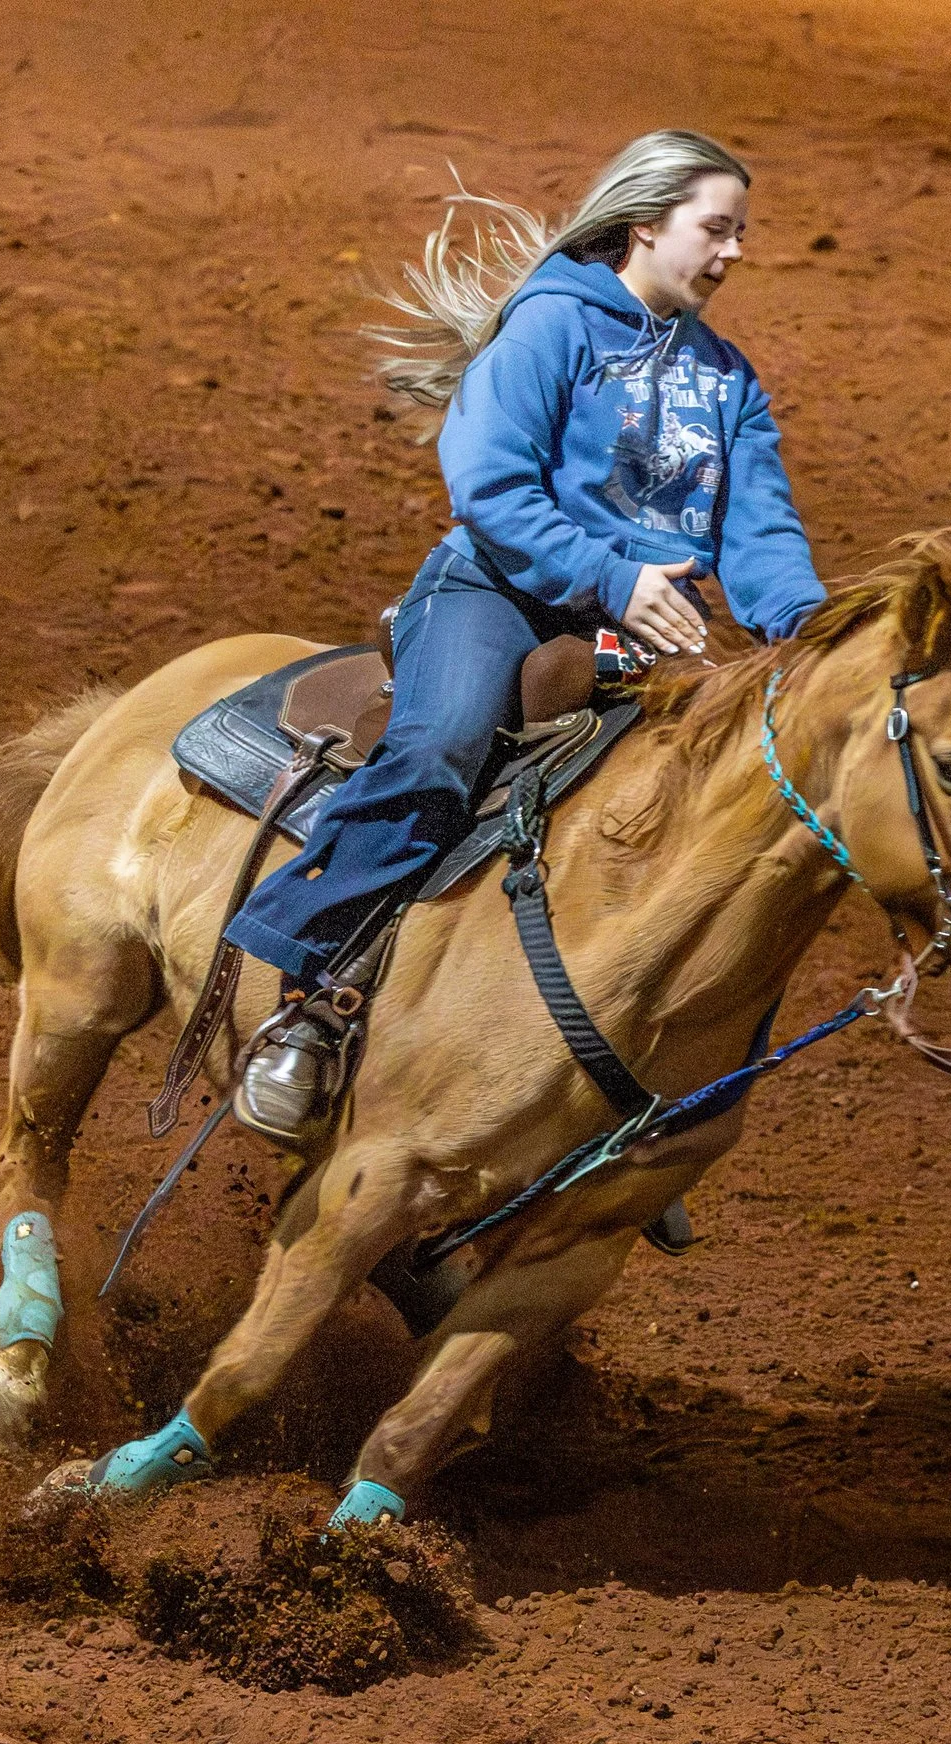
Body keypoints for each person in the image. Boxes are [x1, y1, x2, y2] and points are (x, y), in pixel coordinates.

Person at [224, 130, 827, 1142]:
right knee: (438, 749)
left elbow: (760, 531)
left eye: (740, 234)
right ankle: (312, 1005)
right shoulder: (549, 327)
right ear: (645, 225)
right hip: (495, 595)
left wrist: (812, 632)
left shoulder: (729, 381)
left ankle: (625, 1083)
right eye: (715, 230)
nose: (733, 254)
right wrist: (613, 577)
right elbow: (491, 487)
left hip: (648, 621)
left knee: (723, 808)